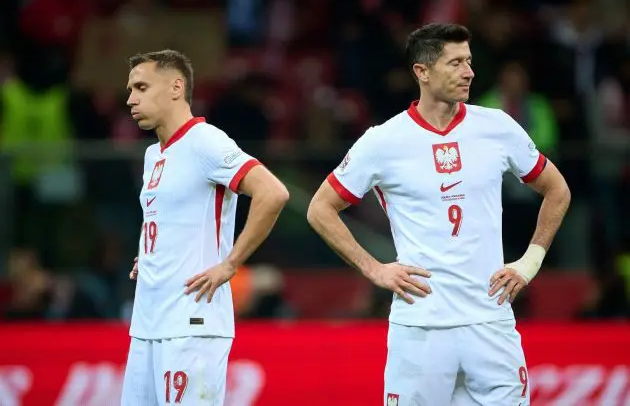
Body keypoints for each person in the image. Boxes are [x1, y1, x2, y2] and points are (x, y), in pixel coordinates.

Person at [307, 23, 571, 405]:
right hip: (422, 327)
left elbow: (557, 189)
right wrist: (374, 268)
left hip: (490, 322)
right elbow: (320, 208)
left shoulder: (496, 126)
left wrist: (530, 261)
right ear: (422, 72)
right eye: (455, 63)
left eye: (469, 61)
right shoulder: (383, 141)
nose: (469, 72)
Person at [121, 49, 289, 406]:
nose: (130, 99)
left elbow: (272, 193)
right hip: (148, 321)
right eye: (131, 89)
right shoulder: (154, 154)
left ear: (176, 87)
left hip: (190, 323)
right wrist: (149, 254)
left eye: (141, 87)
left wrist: (231, 264)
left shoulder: (205, 141)